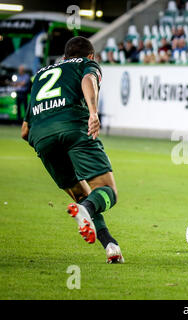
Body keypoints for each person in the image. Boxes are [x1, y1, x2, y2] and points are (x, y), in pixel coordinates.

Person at [21, 36, 124, 264]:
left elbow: (24, 131)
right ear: (90, 56)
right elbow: (89, 79)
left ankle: (110, 246)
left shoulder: (40, 75)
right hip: (73, 126)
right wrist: (93, 112)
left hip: (41, 137)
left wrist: (44, 142)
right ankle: (86, 209)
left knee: (82, 194)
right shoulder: (86, 65)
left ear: (64, 57)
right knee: (107, 190)